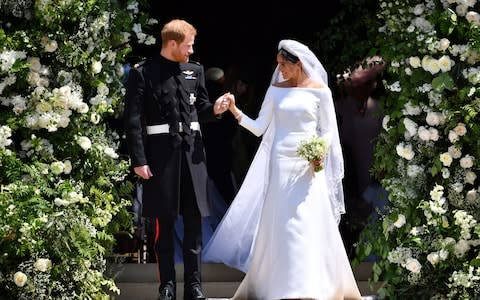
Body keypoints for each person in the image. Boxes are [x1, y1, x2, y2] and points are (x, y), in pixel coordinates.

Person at [203, 39, 362, 299]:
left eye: (284, 65)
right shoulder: (275, 90)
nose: (280, 70)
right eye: (278, 65)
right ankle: (280, 285)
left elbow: (329, 131)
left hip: (309, 164)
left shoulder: (321, 91)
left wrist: (319, 152)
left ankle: (312, 283)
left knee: (308, 219)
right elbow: (259, 127)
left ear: (298, 64)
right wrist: (234, 111)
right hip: (280, 162)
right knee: (282, 221)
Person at [123, 19, 230, 300]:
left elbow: (202, 109)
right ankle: (167, 286)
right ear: (172, 44)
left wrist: (216, 109)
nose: (191, 51)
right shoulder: (143, 73)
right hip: (160, 158)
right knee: (165, 227)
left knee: (194, 227)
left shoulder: (195, 71)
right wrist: (139, 159)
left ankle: (194, 286)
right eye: (187, 46)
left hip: (192, 158)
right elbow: (133, 120)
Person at [335, 56, 388, 259]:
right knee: (350, 209)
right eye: (357, 85)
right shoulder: (340, 108)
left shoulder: (379, 108)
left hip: (373, 165)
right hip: (348, 166)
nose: (362, 89)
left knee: (371, 209)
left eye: (366, 84)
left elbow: (385, 139)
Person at [202, 66, 239, 205]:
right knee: (225, 189)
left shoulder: (202, 99)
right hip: (223, 149)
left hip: (206, 148)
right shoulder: (223, 100)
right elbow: (231, 126)